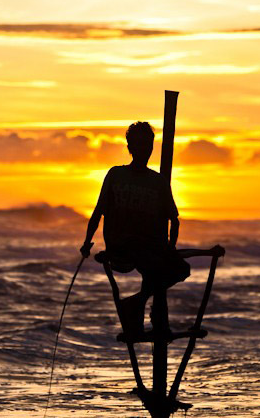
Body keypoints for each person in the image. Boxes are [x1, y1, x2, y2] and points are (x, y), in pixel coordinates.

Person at [80, 121, 204, 337]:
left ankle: (138, 302)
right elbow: (98, 212)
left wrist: (170, 248)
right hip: (121, 247)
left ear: (152, 147)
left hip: (148, 248)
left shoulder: (158, 181)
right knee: (156, 266)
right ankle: (144, 311)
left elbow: (174, 220)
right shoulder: (116, 174)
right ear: (129, 147)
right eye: (138, 144)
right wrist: (86, 243)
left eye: (147, 145)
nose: (144, 149)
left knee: (180, 269)